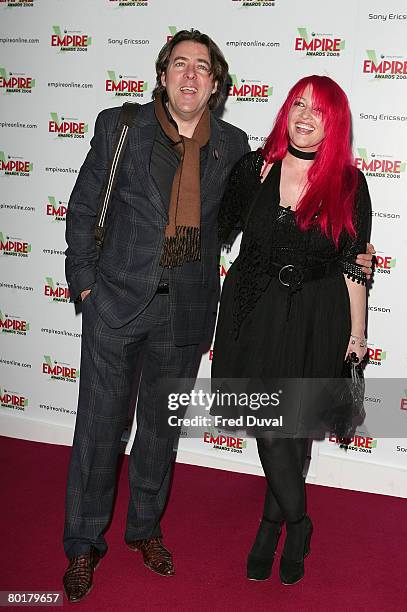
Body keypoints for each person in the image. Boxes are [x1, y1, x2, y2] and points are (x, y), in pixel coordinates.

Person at [62, 30, 251, 603]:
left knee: (160, 432)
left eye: (201, 68)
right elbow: (82, 208)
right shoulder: (120, 128)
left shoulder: (234, 145)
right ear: (163, 74)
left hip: (186, 310)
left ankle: (143, 529)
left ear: (215, 84)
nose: (189, 75)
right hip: (116, 303)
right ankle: (82, 544)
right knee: (99, 430)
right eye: (179, 65)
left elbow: (245, 221)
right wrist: (86, 289)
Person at [212, 75, 372, 586]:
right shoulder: (255, 168)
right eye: (298, 104)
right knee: (270, 426)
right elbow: (215, 231)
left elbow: (355, 264)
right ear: (286, 110)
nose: (304, 116)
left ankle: (271, 525)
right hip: (253, 311)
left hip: (316, 315)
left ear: (335, 125)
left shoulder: (349, 183)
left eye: (318, 110)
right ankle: (296, 524)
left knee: (294, 430)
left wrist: (358, 333)